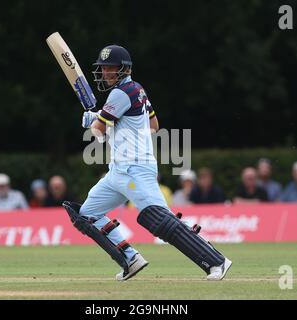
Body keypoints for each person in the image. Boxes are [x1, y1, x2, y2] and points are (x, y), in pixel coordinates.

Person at [63, 44, 231, 282]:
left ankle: (217, 261)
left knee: (160, 219)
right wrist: (107, 119)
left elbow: (98, 133)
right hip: (118, 171)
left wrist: (93, 120)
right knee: (87, 214)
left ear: (123, 69)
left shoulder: (120, 93)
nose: (105, 73)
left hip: (135, 170)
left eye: (110, 68)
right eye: (103, 68)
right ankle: (129, 259)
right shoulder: (137, 89)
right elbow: (154, 126)